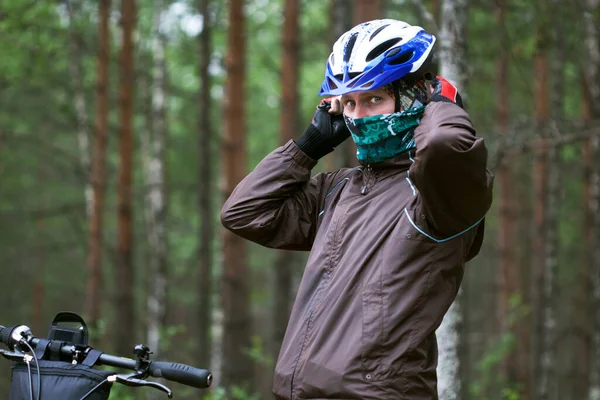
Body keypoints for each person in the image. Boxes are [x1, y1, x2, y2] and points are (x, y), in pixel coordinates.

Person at [221, 19, 494, 399]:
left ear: (416, 98)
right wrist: (309, 145)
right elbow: (244, 212)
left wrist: (441, 103)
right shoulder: (338, 188)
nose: (359, 116)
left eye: (374, 99)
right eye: (350, 102)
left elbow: (444, 147)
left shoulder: (436, 196)